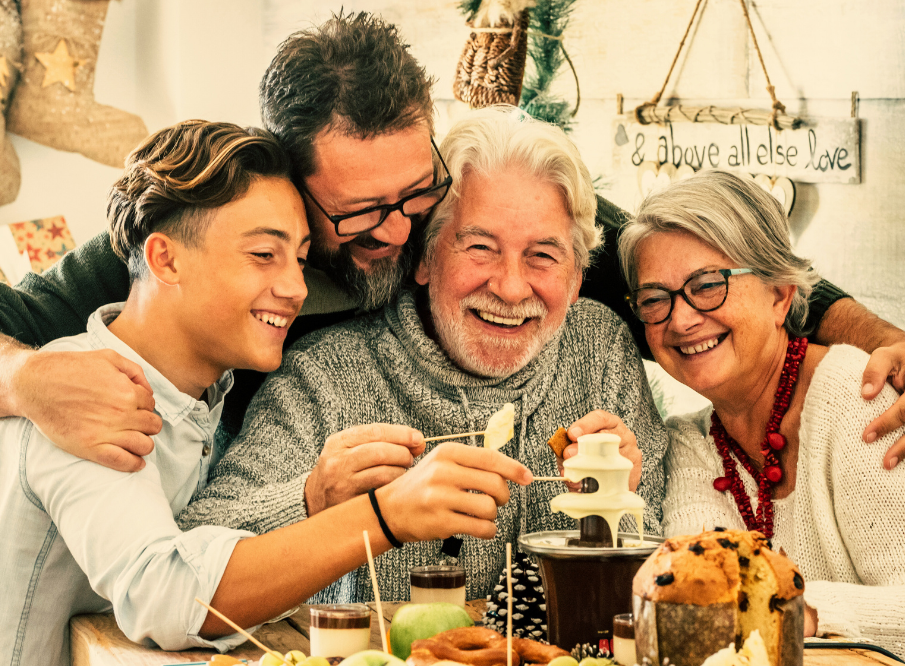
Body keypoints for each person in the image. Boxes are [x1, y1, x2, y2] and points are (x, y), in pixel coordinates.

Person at [0, 12, 905, 481]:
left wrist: (882, 338)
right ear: (290, 175)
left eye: (419, 195)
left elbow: (701, 265)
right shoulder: (203, 224)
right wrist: (22, 381)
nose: (404, 232)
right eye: (363, 216)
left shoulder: (478, 200)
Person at [0, 121, 532, 666]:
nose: (295, 288)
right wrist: (385, 515)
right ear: (164, 259)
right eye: (263, 254)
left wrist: (320, 502)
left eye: (301, 258)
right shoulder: (88, 393)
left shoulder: (206, 394)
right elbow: (164, 594)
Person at [179, 107, 668, 603]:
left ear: (577, 276)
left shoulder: (601, 349)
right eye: (480, 247)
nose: (512, 287)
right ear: (426, 258)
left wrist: (620, 503)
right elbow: (192, 562)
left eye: (543, 255)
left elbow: (666, 566)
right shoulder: (322, 377)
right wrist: (311, 498)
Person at [618, 170, 905, 666]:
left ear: (780, 294)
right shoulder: (692, 443)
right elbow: (694, 606)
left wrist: (796, 611)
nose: (680, 321)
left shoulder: (859, 397)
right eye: (655, 299)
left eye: (707, 285)